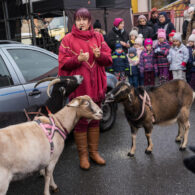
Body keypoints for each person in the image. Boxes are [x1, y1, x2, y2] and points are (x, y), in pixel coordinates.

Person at [58, 8, 112, 170]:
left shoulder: (98, 37)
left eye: (84, 19)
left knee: (95, 120)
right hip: (80, 90)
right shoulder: (67, 40)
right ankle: (83, 156)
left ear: (89, 21)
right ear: (74, 21)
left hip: (96, 88)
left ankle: (94, 153)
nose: (81, 22)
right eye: (78, 19)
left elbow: (108, 59)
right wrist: (77, 59)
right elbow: (62, 64)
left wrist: (99, 56)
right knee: (81, 123)